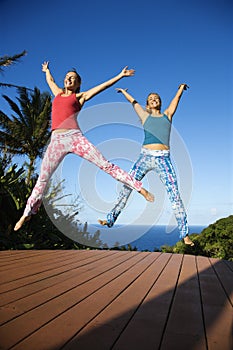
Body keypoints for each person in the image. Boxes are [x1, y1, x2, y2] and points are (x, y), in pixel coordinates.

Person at [14, 62, 154, 231]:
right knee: (43, 178)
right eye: (67, 78)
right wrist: (46, 70)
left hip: (74, 137)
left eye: (72, 79)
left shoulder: (80, 97)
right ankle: (27, 212)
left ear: (78, 84)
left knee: (105, 165)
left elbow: (103, 86)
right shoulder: (57, 94)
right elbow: (50, 80)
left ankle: (139, 188)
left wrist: (120, 75)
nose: (69, 80)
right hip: (56, 141)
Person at [98, 85, 194, 246]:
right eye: (150, 99)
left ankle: (184, 234)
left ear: (160, 103)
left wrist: (180, 89)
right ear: (148, 105)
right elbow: (133, 102)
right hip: (145, 156)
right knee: (127, 185)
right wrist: (124, 92)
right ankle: (110, 219)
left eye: (156, 98)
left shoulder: (167, 115)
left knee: (174, 194)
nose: (154, 99)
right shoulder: (144, 116)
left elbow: (175, 101)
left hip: (164, 158)